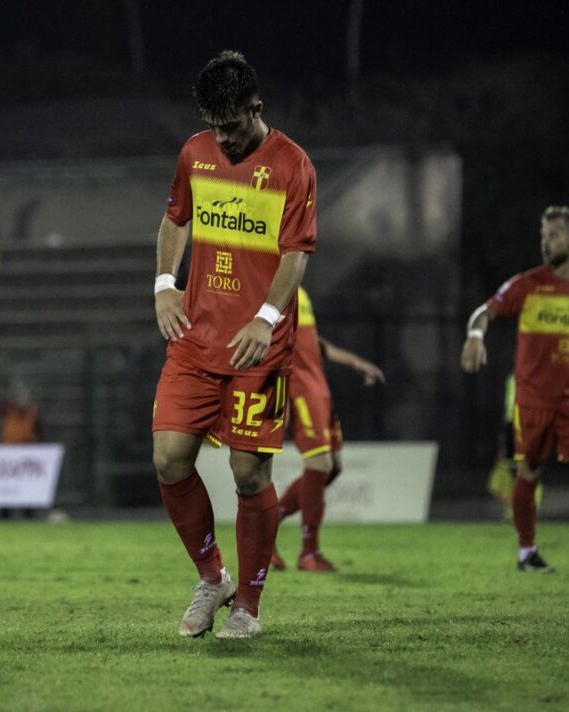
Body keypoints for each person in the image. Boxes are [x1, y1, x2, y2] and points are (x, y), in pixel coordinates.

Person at [152, 50, 316, 639]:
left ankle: (247, 604)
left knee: (249, 475)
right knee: (169, 459)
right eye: (214, 125)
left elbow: (296, 252)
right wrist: (164, 285)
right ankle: (212, 577)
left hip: (258, 349)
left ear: (256, 108)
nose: (223, 137)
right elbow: (175, 220)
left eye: (233, 125)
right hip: (195, 339)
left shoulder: (293, 165)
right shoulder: (196, 152)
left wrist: (266, 318)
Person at [460, 205, 569, 574]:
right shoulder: (527, 284)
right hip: (533, 400)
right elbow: (485, 311)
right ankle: (527, 553)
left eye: (553, 235)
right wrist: (475, 335)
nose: (546, 242)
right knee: (530, 472)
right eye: (543, 236)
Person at [271, 286, 384, 572]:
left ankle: (269, 520)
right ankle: (309, 552)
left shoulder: (300, 292)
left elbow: (313, 342)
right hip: (299, 388)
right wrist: (277, 396)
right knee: (319, 464)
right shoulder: (269, 288)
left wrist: (354, 362)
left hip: (318, 387)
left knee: (333, 467)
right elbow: (265, 341)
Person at [0, 379, 43, 520]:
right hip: (9, 453)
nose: (22, 398)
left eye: (24, 395)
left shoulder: (33, 413)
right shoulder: (8, 410)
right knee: (7, 486)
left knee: (27, 486)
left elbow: (40, 432)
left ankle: (28, 514)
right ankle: (5, 515)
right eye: (19, 395)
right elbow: (1, 409)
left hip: (27, 453)